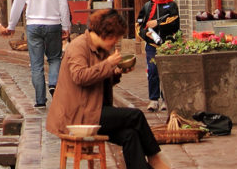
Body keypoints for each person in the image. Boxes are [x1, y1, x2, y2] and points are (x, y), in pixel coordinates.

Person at [47, 9, 171, 169]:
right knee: (136, 116)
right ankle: (155, 158)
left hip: (93, 109)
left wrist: (116, 73)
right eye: (115, 38)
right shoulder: (78, 47)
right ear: (106, 34)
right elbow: (80, 77)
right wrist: (109, 64)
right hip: (79, 115)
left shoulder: (101, 50)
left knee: (130, 135)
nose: (115, 42)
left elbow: (98, 80)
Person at [7, 0, 71, 107]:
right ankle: (54, 84)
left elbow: (17, 5)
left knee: (36, 64)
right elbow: (63, 3)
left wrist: (11, 25)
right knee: (55, 58)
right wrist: (66, 26)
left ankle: (40, 100)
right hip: (53, 24)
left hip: (33, 25)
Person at [136, 0, 179, 111]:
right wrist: (146, 34)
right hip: (152, 45)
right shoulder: (147, 7)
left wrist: (157, 23)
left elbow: (174, 22)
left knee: (167, 72)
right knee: (152, 71)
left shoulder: (172, 6)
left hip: (168, 44)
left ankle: (166, 99)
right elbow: (139, 25)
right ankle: (153, 99)